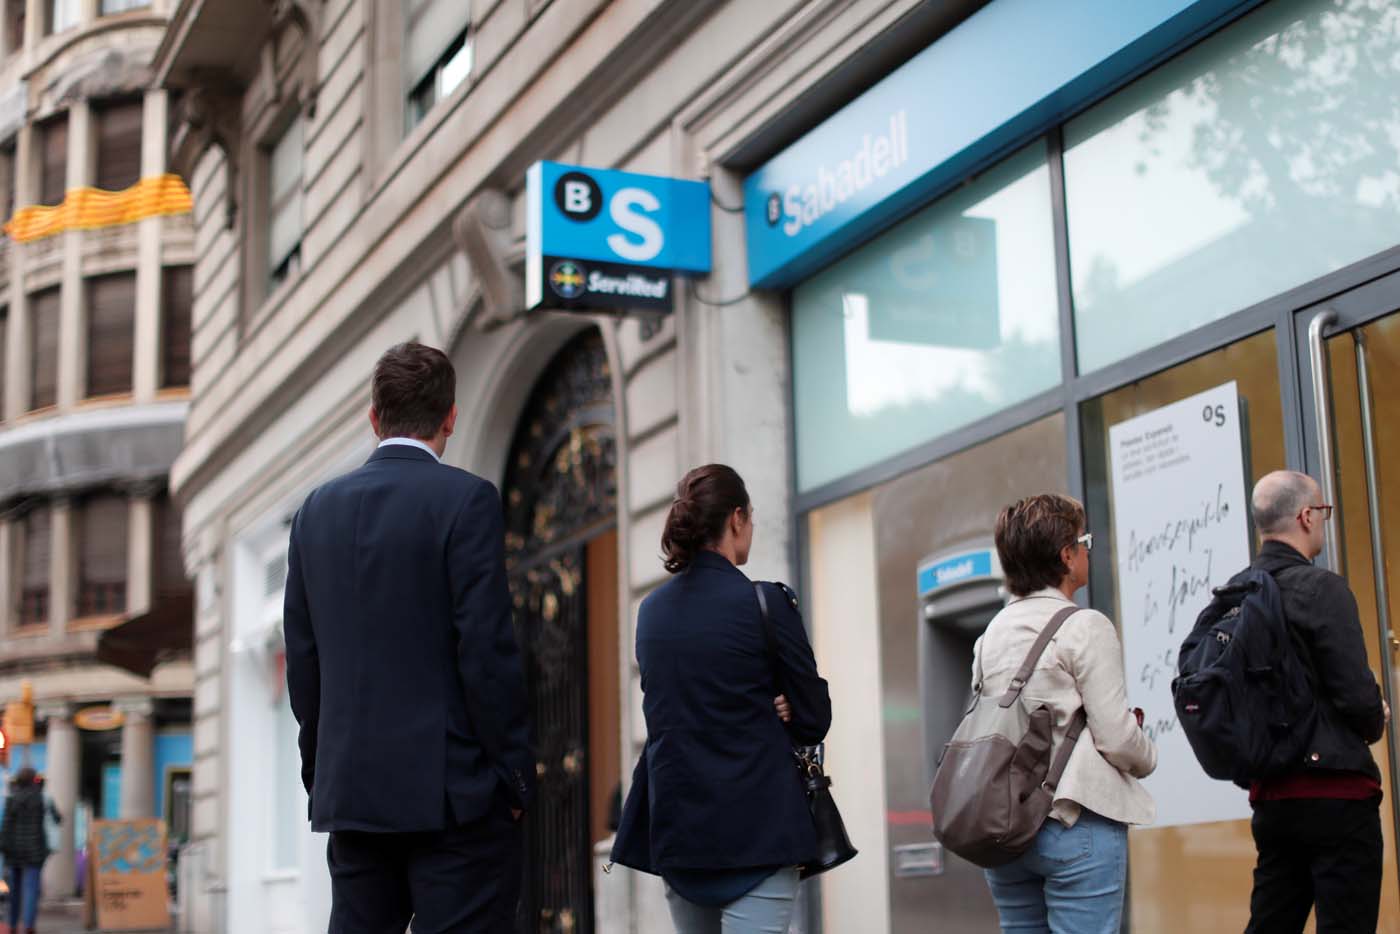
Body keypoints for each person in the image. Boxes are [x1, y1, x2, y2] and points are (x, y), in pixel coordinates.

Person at [284, 341, 533, 933]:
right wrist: (514, 775)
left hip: (353, 800)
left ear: (374, 417)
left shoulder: (314, 512)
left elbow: (305, 663)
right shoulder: (466, 500)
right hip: (454, 801)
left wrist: (321, 774)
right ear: (451, 415)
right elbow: (487, 652)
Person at [610, 464, 832, 934]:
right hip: (760, 833)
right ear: (736, 519)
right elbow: (814, 717)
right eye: (750, 518)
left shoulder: (650, 613)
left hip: (681, 835)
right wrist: (782, 708)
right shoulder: (766, 603)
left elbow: (674, 709)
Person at [977, 494, 1156, 934]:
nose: (1087, 551)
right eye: (1084, 541)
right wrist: (1146, 752)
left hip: (1006, 830)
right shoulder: (1084, 626)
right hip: (1074, 822)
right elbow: (1115, 737)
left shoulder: (990, 636)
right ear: (1066, 555)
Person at [1242, 470, 1389, 934]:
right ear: (1307, 516)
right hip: (1337, 797)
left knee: (1271, 923)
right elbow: (1356, 694)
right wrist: (1376, 716)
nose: (1323, 521)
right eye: (1322, 512)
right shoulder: (1323, 589)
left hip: (1272, 799)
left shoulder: (1237, 594)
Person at [1, 768, 54, 934]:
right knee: (31, 888)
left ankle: (12, 923)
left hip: (14, 851)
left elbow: (7, 825)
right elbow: (55, 817)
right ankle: (29, 924)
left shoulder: (12, 799)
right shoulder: (39, 799)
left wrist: (4, 846)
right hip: (34, 850)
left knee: (14, 890)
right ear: (33, 780)